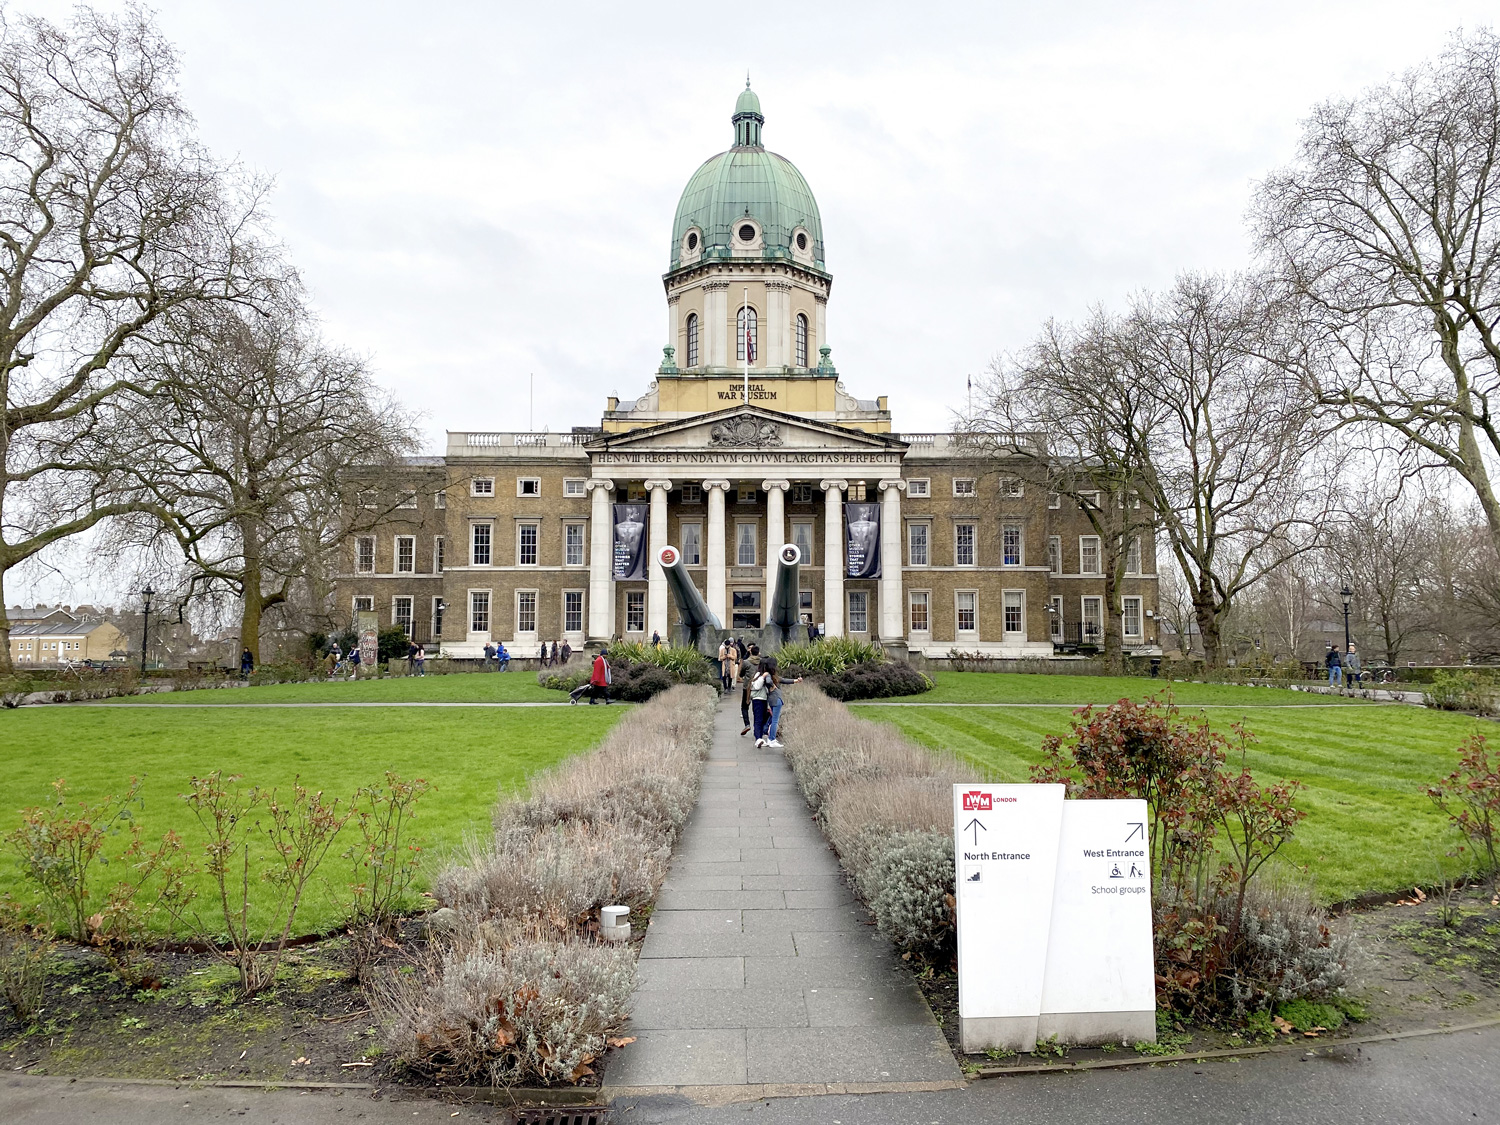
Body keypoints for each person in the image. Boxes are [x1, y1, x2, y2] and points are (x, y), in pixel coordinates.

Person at [759, 655, 801, 748]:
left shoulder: (770, 675)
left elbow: (783, 680)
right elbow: (769, 681)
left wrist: (796, 681)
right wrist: (772, 687)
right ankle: (772, 740)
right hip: (776, 699)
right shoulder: (769, 675)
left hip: (773, 699)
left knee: (773, 720)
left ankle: (770, 738)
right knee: (775, 721)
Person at [739, 644, 759, 736]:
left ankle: (747, 724)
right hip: (759, 687)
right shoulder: (762, 662)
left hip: (747, 687)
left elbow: (741, 674)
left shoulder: (746, 662)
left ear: (750, 652)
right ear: (758, 652)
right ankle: (758, 726)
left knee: (744, 707)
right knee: (757, 707)